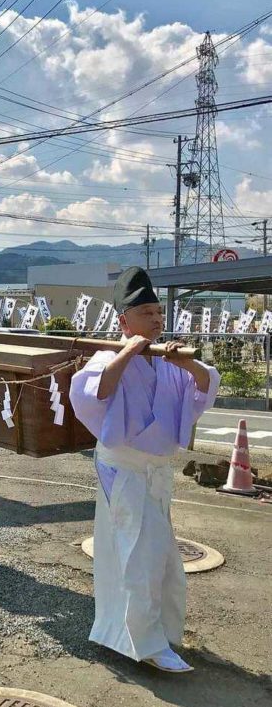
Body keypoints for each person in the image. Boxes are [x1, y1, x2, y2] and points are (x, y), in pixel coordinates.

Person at [69, 267, 220, 674]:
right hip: (124, 469)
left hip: (156, 472)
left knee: (162, 557)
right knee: (133, 555)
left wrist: (189, 365)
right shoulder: (108, 357)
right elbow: (92, 391)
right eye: (146, 313)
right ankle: (145, 643)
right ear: (124, 320)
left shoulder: (168, 359)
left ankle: (153, 632)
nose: (156, 320)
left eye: (158, 312)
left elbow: (205, 386)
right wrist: (128, 350)